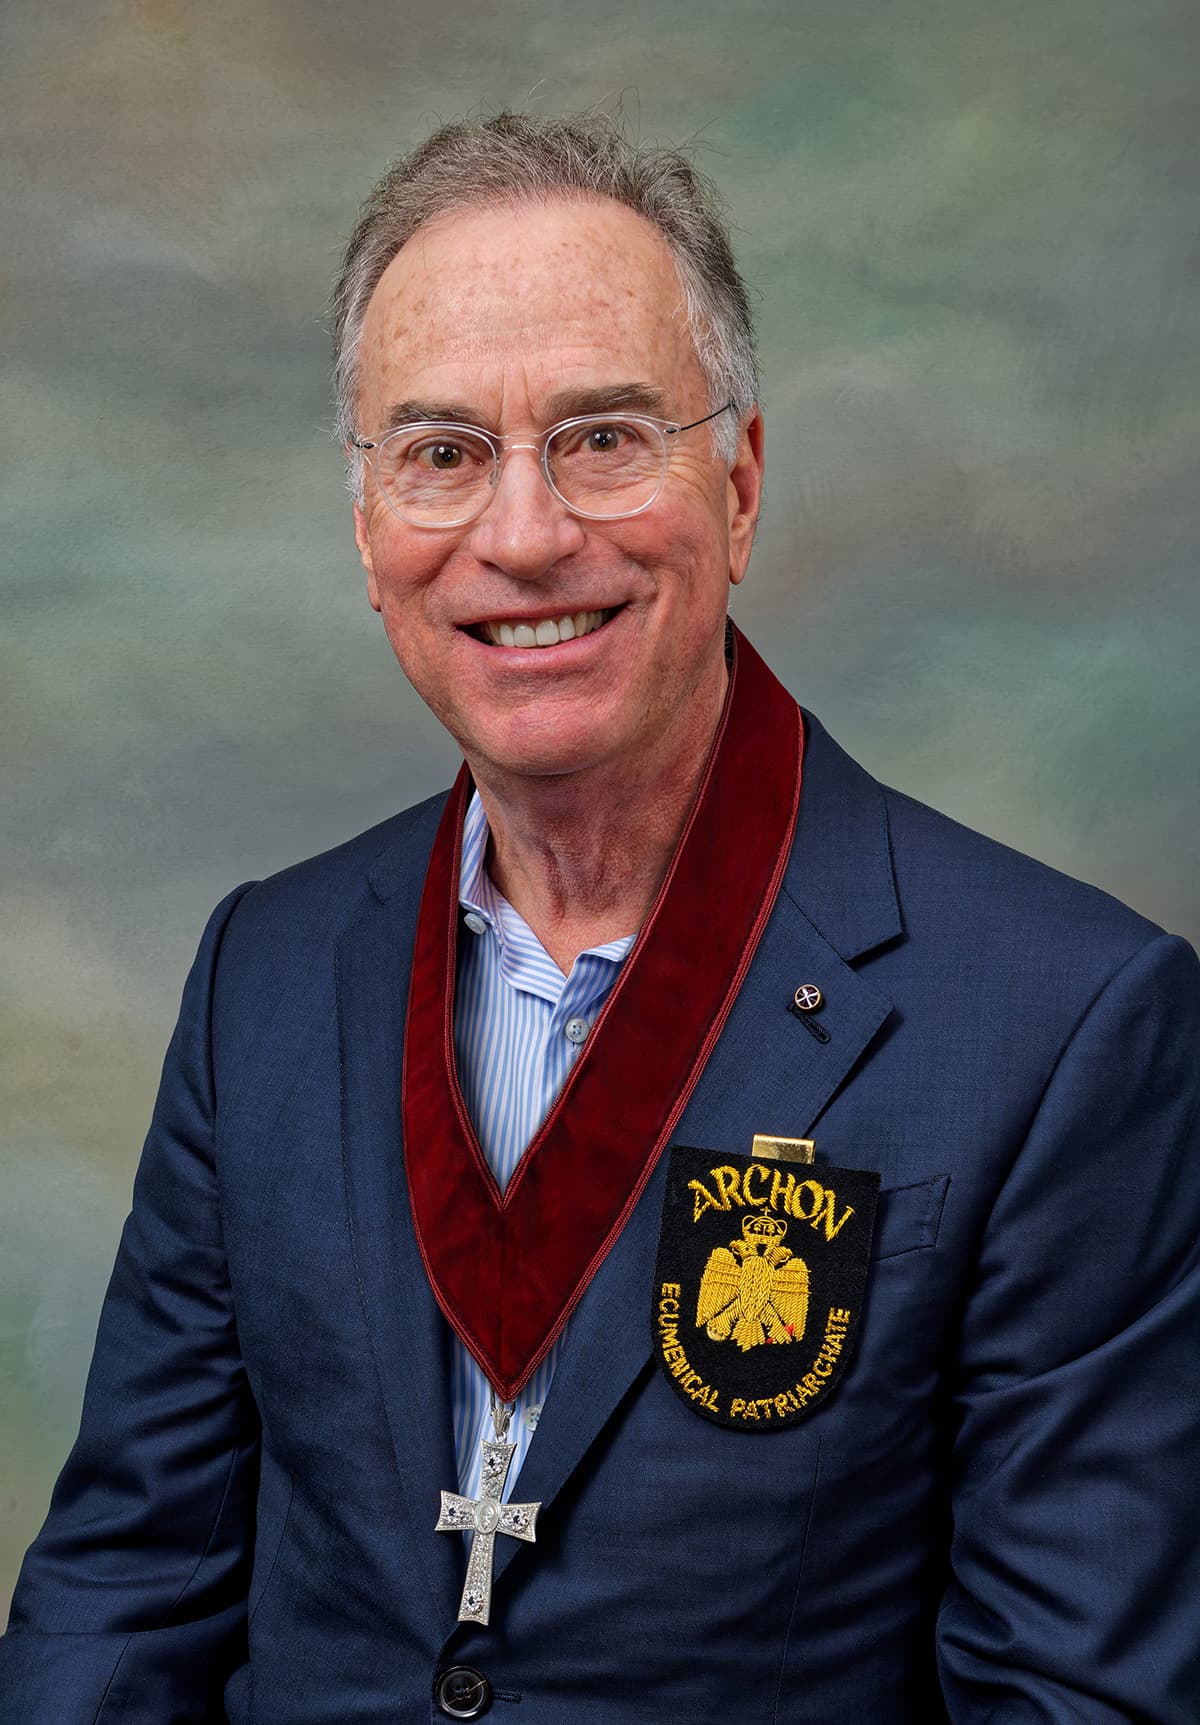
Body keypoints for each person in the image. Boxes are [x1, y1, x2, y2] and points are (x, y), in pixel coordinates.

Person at [2, 111, 1197, 1725]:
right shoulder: (262, 977)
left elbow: (1077, 1699)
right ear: (368, 532)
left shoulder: (1069, 1026)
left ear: (741, 484)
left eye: (604, 438)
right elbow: (120, 1598)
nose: (523, 535)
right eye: (441, 454)